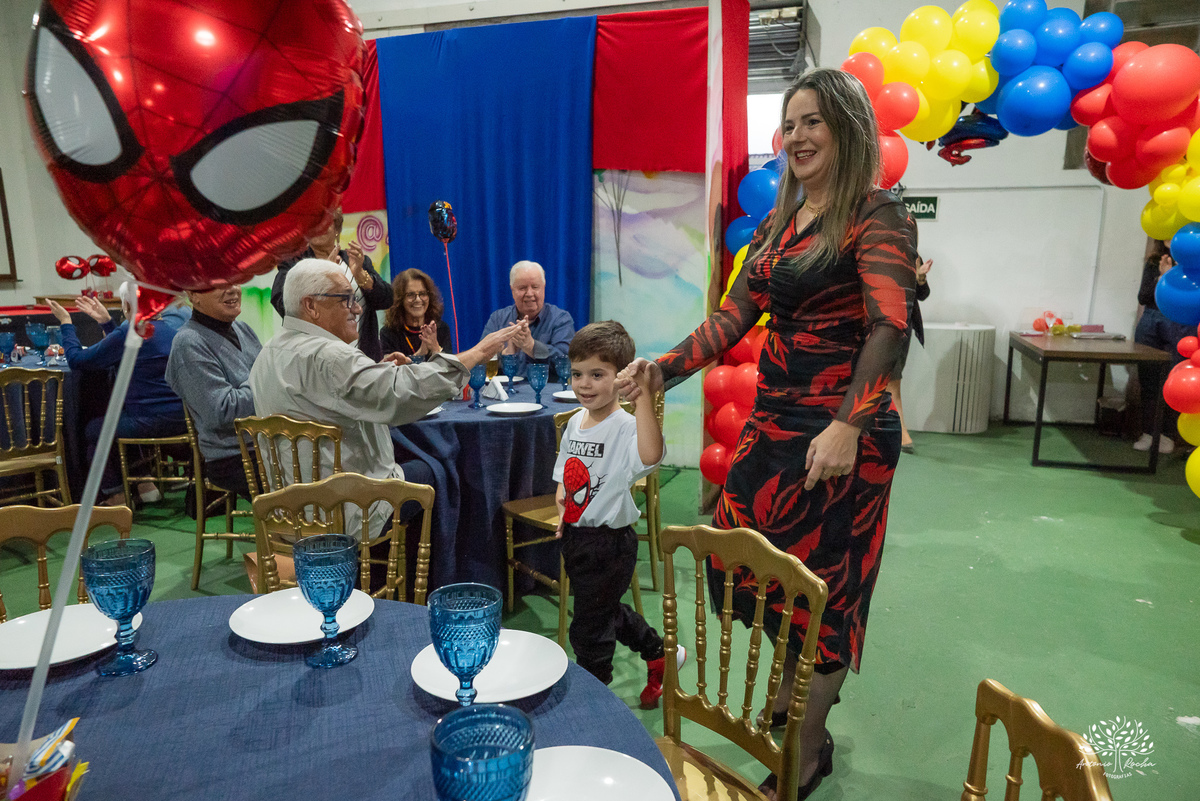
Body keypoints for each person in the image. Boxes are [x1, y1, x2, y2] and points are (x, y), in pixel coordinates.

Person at [618, 68, 917, 800]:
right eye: (790, 124)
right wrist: (664, 367)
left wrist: (850, 422)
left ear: (846, 128)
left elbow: (890, 325)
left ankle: (806, 749)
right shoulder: (780, 225)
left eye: (813, 120)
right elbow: (731, 317)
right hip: (774, 425)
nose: (798, 135)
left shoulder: (877, 215)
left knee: (826, 593)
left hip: (842, 435)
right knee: (750, 564)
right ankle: (791, 694)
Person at [250, 259, 522, 537]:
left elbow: (328, 393)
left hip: (288, 513)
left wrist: (376, 370)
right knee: (442, 467)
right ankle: (437, 575)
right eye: (346, 299)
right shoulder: (330, 357)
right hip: (347, 512)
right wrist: (477, 353)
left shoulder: (267, 354)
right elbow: (400, 395)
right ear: (311, 306)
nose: (357, 308)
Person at [553, 321, 683, 708]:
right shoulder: (575, 421)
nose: (585, 384)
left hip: (611, 544)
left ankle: (593, 701)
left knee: (589, 630)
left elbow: (649, 455)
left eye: (598, 374)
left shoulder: (626, 426)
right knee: (601, 610)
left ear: (618, 377)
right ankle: (660, 653)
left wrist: (642, 397)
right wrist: (563, 503)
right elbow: (565, 471)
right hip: (576, 537)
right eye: (578, 374)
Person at [48, 288, 189, 505]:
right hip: (182, 418)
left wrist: (66, 323)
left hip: (149, 421)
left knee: (95, 429)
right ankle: (144, 484)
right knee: (115, 419)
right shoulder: (170, 330)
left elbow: (78, 360)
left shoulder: (131, 332)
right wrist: (106, 322)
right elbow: (128, 351)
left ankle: (117, 494)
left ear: (127, 306)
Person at [165, 284, 262, 500]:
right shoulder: (188, 341)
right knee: (310, 484)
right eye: (219, 285)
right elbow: (222, 410)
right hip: (234, 456)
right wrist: (263, 380)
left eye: (235, 281)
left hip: (264, 443)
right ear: (192, 295)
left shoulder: (242, 328)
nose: (233, 290)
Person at [270, 208, 393, 362]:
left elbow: (387, 299)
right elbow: (281, 302)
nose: (318, 229)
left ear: (337, 229)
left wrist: (361, 275)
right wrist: (319, 276)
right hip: (315, 357)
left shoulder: (355, 260)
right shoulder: (293, 262)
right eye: (313, 224)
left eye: (325, 224)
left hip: (363, 356)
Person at [481, 260, 574, 378]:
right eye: (522, 288)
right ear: (512, 290)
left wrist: (532, 346)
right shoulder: (498, 319)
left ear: (544, 287)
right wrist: (505, 355)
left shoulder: (560, 319)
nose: (529, 293)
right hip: (504, 393)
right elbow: (480, 359)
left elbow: (567, 362)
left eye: (535, 287)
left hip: (547, 392)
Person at [886, 256, 931, 454]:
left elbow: (922, 294)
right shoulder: (877, 248)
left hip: (903, 324)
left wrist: (920, 277)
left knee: (893, 380)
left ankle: (897, 430)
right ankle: (901, 431)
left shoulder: (913, 255)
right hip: (881, 322)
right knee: (891, 380)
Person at [380, 268, 452, 359]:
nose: (418, 300)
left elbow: (450, 370)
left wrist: (436, 348)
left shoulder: (441, 328)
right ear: (400, 300)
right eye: (410, 295)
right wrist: (420, 353)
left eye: (423, 293)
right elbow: (393, 371)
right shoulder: (388, 333)